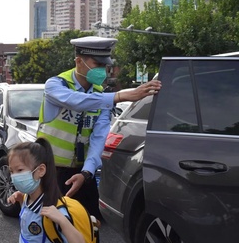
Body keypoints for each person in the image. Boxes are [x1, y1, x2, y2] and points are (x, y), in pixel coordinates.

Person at [37, 36, 162, 220]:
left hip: (80, 174)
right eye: (97, 64)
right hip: (50, 172)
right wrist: (120, 96)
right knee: (50, 230)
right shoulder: (56, 85)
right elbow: (76, 102)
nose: (103, 70)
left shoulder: (100, 94)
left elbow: (98, 139)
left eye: (105, 66)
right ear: (79, 61)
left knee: (89, 229)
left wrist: (86, 173)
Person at [7, 138, 87, 243]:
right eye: (12, 171)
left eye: (20, 170)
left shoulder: (54, 209)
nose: (14, 176)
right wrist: (21, 200)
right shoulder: (28, 197)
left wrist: (61, 220)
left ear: (40, 171)